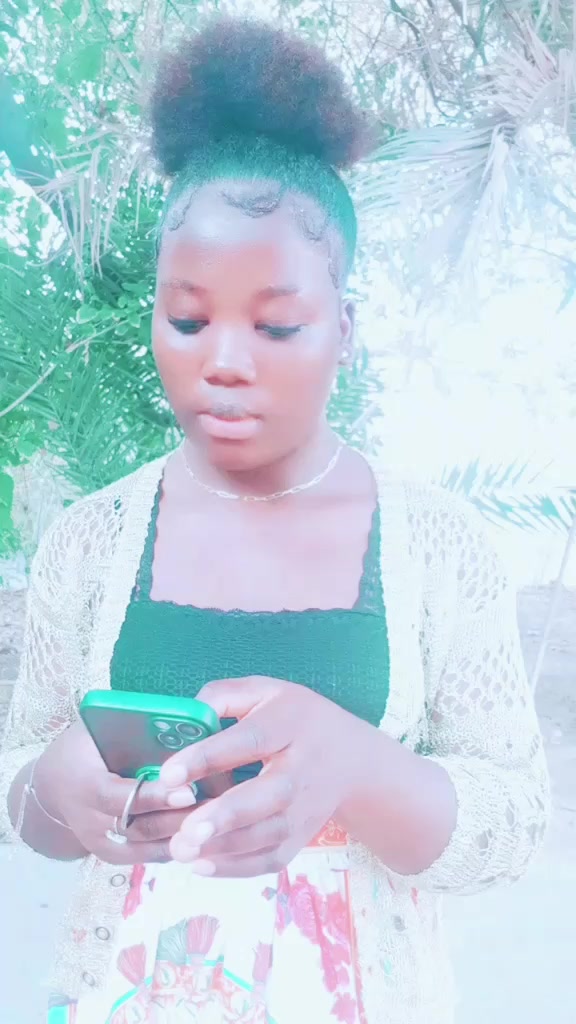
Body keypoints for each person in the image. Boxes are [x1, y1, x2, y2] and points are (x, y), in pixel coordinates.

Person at [0, 16, 550, 1024]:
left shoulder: (441, 549)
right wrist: (53, 784)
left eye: (278, 324)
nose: (224, 360)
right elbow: (21, 788)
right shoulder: (91, 541)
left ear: (345, 327)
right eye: (187, 317)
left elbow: (514, 823)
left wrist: (358, 766)